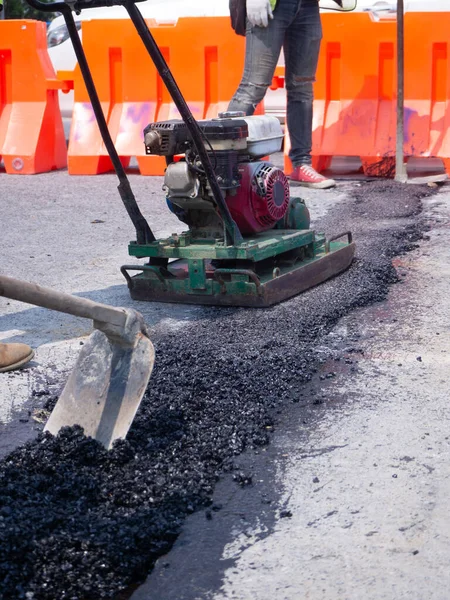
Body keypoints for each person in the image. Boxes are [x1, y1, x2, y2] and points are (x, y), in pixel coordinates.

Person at [229, 0, 339, 189]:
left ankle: (301, 165)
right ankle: (222, 164)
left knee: (302, 88)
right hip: (274, 4)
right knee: (253, 87)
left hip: (307, 5)